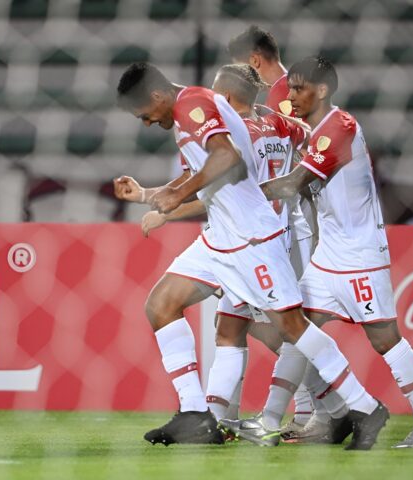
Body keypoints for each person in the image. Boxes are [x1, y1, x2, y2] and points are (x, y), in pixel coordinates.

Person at [115, 62, 388, 450]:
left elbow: (227, 158)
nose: (145, 122)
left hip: (253, 239)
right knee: (161, 304)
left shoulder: (193, 103)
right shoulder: (189, 109)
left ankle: (363, 407)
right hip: (220, 240)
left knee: (292, 328)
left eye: (143, 114)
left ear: (156, 96)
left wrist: (175, 197)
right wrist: (149, 193)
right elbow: (204, 171)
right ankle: (195, 414)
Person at [252, 56, 413, 448]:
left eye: (299, 88)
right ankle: (281, 419)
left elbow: (293, 184)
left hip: (360, 255)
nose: (291, 95)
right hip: (327, 256)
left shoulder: (340, 127)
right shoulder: (313, 131)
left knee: (385, 340)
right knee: (294, 329)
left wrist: (241, 192)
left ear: (322, 90)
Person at [137, 64, 316, 443]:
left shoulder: (236, 131)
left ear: (230, 99)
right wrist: (301, 182)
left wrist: (165, 210)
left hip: (248, 242)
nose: (214, 101)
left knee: (282, 333)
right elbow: (313, 141)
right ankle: (215, 418)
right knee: (231, 330)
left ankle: (328, 408)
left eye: (219, 96)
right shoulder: (277, 123)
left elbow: (211, 191)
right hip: (272, 233)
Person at [228, 25, 322, 434]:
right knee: (271, 322)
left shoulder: (279, 97)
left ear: (252, 60)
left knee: (285, 325)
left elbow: (296, 155)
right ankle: (310, 411)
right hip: (285, 218)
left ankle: (331, 407)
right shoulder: (288, 92)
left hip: (283, 223)